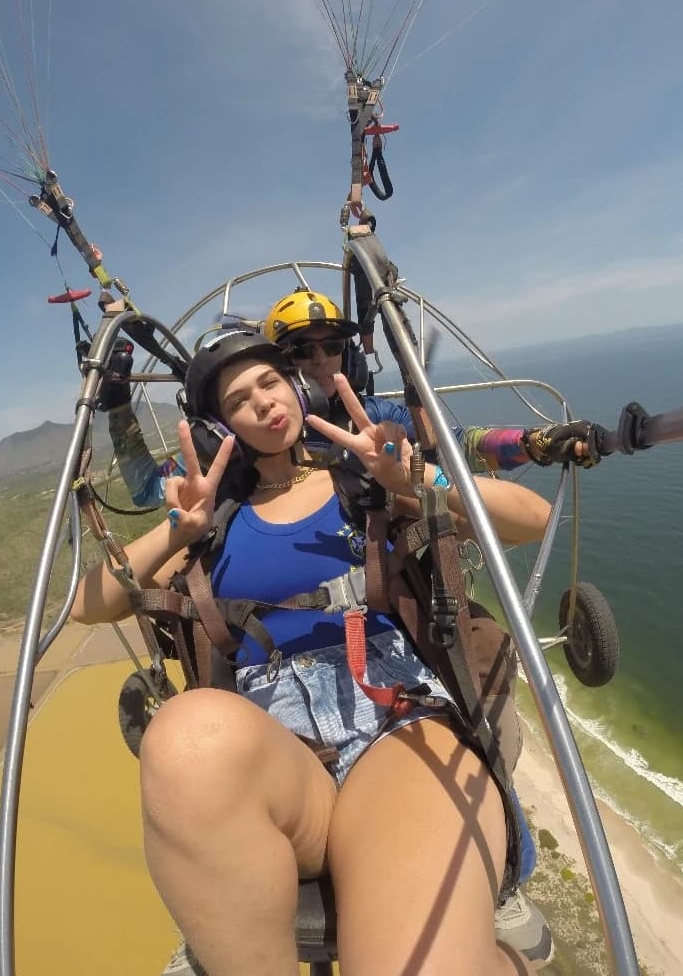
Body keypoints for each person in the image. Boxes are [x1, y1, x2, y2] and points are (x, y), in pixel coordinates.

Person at [73, 331, 555, 975]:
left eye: (270, 382)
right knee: (181, 733)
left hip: (390, 719)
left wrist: (415, 477)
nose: (264, 404)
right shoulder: (214, 521)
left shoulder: (364, 479)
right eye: (240, 399)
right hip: (274, 747)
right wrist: (176, 531)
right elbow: (90, 605)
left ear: (294, 387)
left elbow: (531, 519)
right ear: (223, 427)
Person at [103, 289, 603, 508]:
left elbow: (458, 444)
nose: (322, 361)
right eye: (301, 351)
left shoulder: (375, 420)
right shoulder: (236, 447)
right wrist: (119, 411)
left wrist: (535, 442)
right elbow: (150, 491)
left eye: (333, 347)